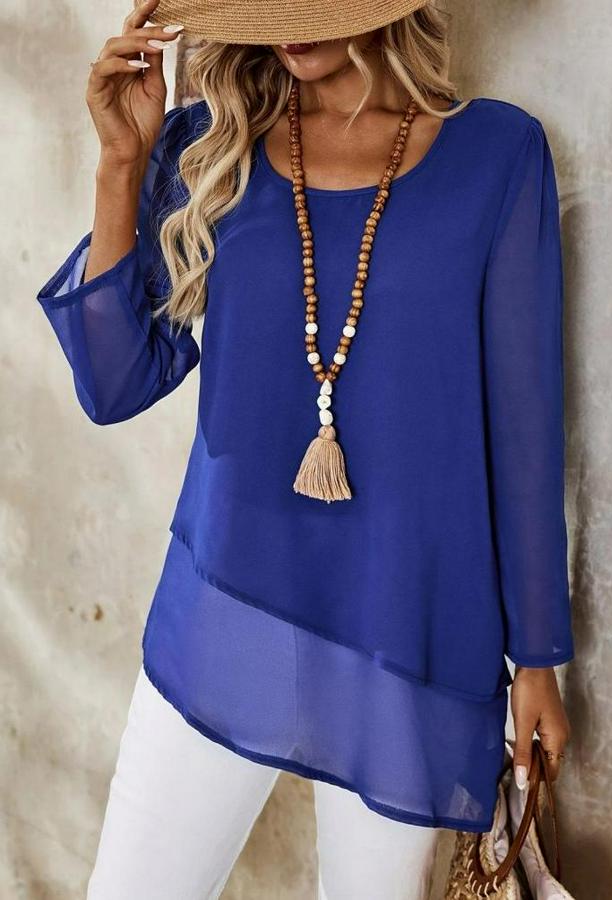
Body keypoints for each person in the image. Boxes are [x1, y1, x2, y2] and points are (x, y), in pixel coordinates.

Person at [36, 0, 575, 897]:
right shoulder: (209, 145)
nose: (290, 21)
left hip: (408, 632)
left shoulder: (497, 155)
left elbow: (524, 426)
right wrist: (122, 163)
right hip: (228, 609)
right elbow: (114, 383)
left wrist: (539, 662)